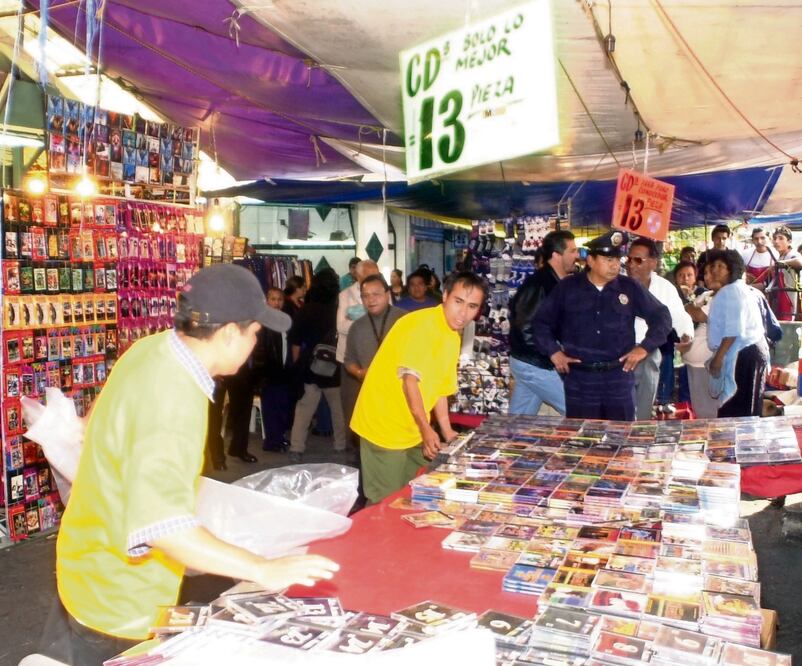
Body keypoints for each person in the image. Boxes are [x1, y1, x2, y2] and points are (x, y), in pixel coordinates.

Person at [47, 264, 338, 665]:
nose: (257, 340)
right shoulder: (174, 397)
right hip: (119, 599)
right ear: (229, 333)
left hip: (90, 559)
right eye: (254, 331)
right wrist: (264, 569)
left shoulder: (151, 348)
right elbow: (163, 527)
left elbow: (95, 423)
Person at [351, 271, 487, 504]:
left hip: (412, 423)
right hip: (384, 424)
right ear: (445, 296)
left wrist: (447, 431)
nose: (464, 313)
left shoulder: (452, 335)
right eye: (458, 302)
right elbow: (410, 381)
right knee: (385, 502)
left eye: (472, 306)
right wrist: (426, 428)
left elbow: (441, 388)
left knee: (414, 493)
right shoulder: (422, 326)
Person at [532, 230, 671, 421]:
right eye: (608, 260)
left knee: (620, 439)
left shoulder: (628, 287)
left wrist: (644, 348)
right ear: (590, 260)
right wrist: (554, 352)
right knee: (583, 439)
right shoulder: (568, 288)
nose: (615, 266)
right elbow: (541, 323)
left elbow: (661, 316)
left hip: (618, 377)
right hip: (581, 380)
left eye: (617, 259)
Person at [508, 230, 578, 416]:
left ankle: (511, 441)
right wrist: (552, 354)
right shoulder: (540, 284)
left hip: (529, 362)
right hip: (535, 363)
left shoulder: (555, 282)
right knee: (578, 410)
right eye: (572, 251)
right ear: (556, 255)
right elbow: (524, 328)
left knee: (519, 421)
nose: (577, 256)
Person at [625, 238, 694, 420]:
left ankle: (639, 436)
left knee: (643, 407)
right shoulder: (618, 285)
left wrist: (686, 334)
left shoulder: (665, 288)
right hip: (621, 352)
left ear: (653, 263)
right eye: (629, 259)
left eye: (638, 260)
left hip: (648, 351)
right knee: (621, 408)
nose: (631, 265)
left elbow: (678, 315)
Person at [288, 268, 348, 461]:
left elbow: (295, 340)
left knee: (304, 408)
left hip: (310, 365)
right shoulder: (338, 309)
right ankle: (340, 446)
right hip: (333, 364)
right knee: (338, 409)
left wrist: (297, 364)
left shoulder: (306, 309)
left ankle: (296, 448)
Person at [342, 274, 405, 444]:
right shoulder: (357, 326)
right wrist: (360, 372)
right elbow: (349, 360)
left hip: (401, 396)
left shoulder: (405, 321)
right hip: (369, 396)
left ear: (387, 294)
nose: (370, 299)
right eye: (365, 295)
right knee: (369, 446)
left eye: (376, 294)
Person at [707, 250, 770, 417]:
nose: (715, 270)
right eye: (714, 266)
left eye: (721, 266)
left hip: (743, 353)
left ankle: (736, 442)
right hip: (752, 350)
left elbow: (733, 330)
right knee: (748, 405)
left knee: (736, 408)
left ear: (732, 269)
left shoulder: (730, 291)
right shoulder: (740, 289)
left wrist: (717, 359)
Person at [676, 264, 718, 418]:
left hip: (707, 363)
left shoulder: (720, 297)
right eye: (706, 273)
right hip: (693, 362)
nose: (708, 277)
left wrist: (688, 305)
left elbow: (697, 314)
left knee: (709, 410)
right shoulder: (707, 295)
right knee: (698, 405)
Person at [254, 287, 292, 452]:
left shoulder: (285, 320)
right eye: (273, 299)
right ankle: (272, 442)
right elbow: (259, 350)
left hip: (283, 370)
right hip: (269, 373)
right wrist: (261, 373)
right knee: (271, 409)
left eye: (280, 299)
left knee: (283, 407)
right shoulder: (262, 322)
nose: (277, 303)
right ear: (267, 301)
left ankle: (279, 437)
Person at [336, 260, 380, 365]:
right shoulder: (345, 295)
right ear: (358, 276)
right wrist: (368, 320)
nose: (374, 279)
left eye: (377, 275)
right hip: (350, 355)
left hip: (376, 355)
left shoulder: (384, 292)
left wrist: (356, 319)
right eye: (370, 276)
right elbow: (341, 326)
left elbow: (386, 321)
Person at [767, 225, 802, 321]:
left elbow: (799, 262)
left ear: (789, 241)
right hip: (780, 300)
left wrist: (781, 263)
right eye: (775, 238)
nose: (776, 241)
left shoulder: (793, 254)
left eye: (781, 238)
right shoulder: (780, 257)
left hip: (790, 301)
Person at [741, 226, 775, 292]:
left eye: (762, 238)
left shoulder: (776, 254)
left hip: (769, 294)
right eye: (756, 239)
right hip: (749, 293)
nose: (759, 242)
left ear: (769, 238)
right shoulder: (745, 254)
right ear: (752, 240)